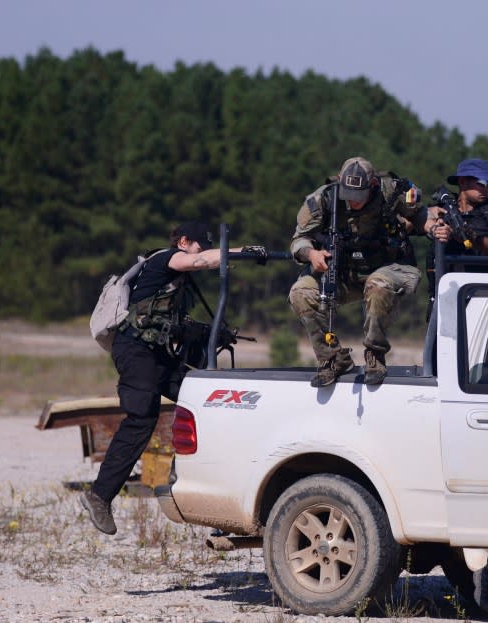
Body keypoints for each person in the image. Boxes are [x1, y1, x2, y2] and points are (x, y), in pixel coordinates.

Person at [81, 223, 260, 535]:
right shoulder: (166, 259)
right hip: (136, 351)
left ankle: (206, 494)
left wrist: (208, 334)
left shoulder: (177, 284)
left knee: (204, 403)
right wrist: (238, 252)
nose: (201, 254)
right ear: (183, 242)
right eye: (198, 248)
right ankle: (100, 495)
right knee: (142, 417)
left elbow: (171, 324)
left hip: (157, 354)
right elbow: (198, 261)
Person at [288, 156, 422, 388]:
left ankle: (375, 355)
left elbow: (421, 215)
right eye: (348, 194)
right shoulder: (322, 199)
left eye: (359, 196)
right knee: (300, 293)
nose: (354, 202)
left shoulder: (392, 191)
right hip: (342, 272)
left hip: (387, 268)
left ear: (372, 185)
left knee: (378, 284)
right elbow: (299, 240)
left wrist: (428, 224)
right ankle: (333, 359)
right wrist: (312, 255)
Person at [422, 158, 488, 259]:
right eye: (482, 183)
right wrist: (431, 223)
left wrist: (475, 239)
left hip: (484, 274)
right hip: (447, 274)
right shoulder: (441, 209)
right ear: (463, 181)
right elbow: (408, 226)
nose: (486, 188)